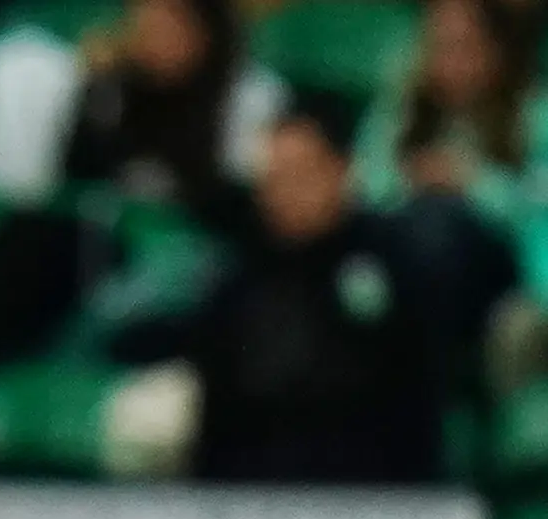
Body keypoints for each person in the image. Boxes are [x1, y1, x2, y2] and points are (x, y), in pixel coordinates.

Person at [0, 0, 285, 383]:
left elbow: (242, 208)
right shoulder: (115, 93)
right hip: (106, 238)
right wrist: (95, 92)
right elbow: (78, 176)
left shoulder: (246, 100)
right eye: (144, 26)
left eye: (167, 28)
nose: (151, 40)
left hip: (185, 254)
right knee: (31, 232)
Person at [112, 99, 447, 484]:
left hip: (362, 490)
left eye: (300, 174)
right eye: (273, 178)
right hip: (250, 489)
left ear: (341, 172)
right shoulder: (239, 273)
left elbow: (414, 407)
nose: (284, 192)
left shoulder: (391, 266)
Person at [354, 0, 539, 381]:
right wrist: (412, 180)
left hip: (496, 273)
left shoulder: (535, 116)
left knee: (438, 229)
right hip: (405, 254)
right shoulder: (402, 110)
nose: (449, 62)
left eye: (464, 46)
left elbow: (536, 216)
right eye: (439, 46)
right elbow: (362, 189)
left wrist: (473, 183)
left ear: (498, 49)